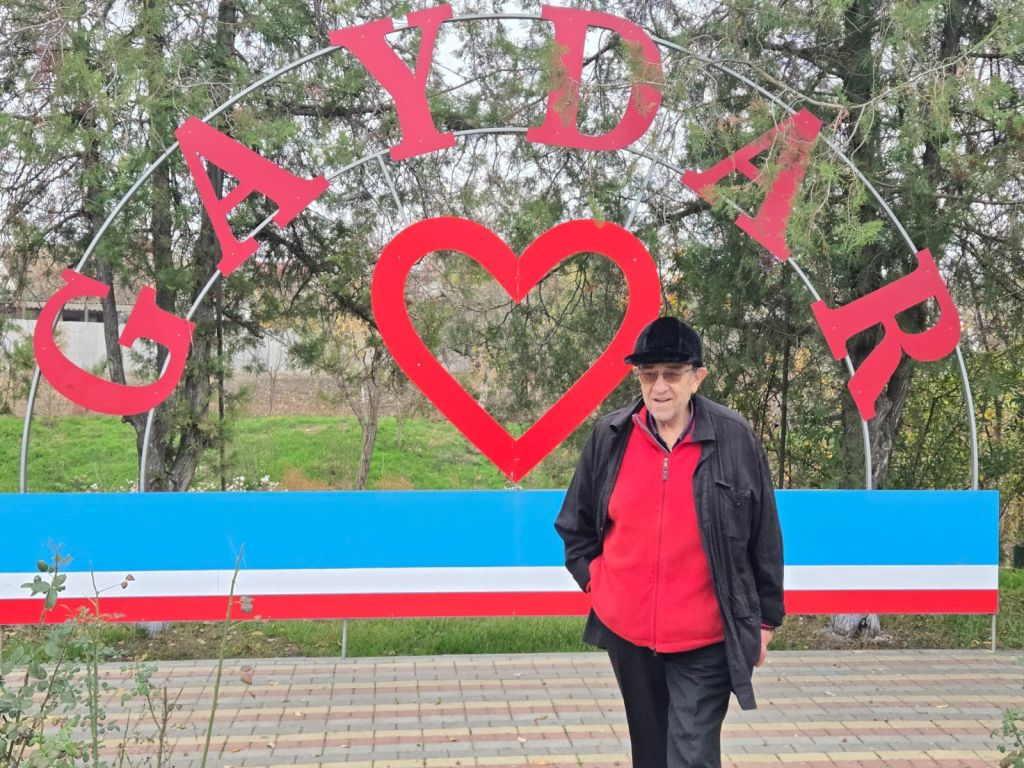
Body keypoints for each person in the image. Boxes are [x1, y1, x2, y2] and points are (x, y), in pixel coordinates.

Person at [554, 316, 784, 768]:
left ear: (697, 377)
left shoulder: (734, 438)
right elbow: (575, 526)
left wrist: (765, 620)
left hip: (706, 638)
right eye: (649, 374)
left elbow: (764, 535)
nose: (660, 387)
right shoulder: (610, 436)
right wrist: (599, 585)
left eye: (672, 374)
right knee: (651, 755)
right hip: (630, 638)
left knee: (691, 756)